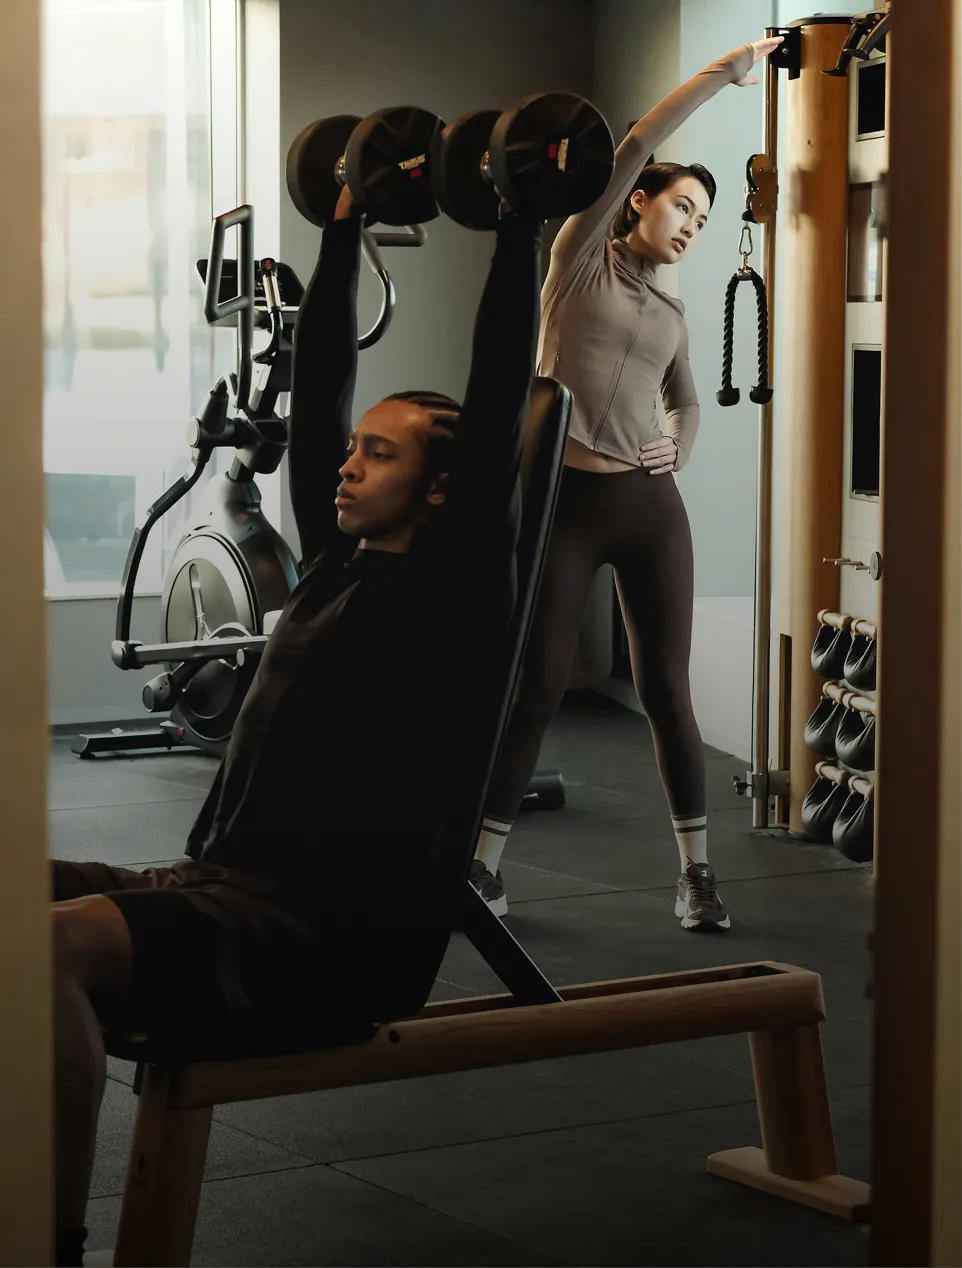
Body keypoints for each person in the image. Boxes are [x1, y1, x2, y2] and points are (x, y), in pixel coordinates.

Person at [49, 184, 544, 1267]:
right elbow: (319, 393)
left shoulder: (456, 593)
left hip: (324, 943)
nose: (347, 463)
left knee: (50, 945)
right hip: (213, 888)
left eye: (380, 454)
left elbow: (500, 385)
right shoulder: (335, 564)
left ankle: (51, 1235)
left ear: (446, 490)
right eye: (355, 450)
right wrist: (337, 228)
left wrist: (522, 220)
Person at [470, 36, 784, 933]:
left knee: (667, 694)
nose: (690, 225)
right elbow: (641, 138)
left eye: (702, 218)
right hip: (566, 502)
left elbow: (688, 409)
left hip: (647, 511)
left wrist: (675, 451)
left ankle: (697, 876)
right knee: (537, 686)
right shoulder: (577, 259)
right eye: (682, 205)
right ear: (636, 201)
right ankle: (484, 871)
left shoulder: (675, 313)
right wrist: (725, 76)